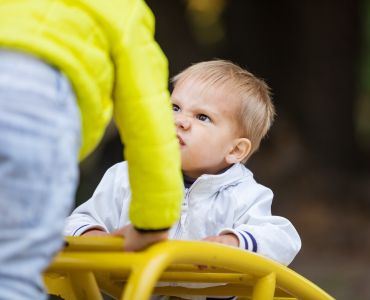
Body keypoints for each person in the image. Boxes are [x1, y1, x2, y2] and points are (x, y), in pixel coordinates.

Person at [0, 1, 183, 299]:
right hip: (34, 103)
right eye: (178, 109)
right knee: (11, 272)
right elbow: (150, 125)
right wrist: (153, 223)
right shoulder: (122, 9)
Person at [65, 60, 301, 267]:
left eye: (202, 117)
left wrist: (233, 242)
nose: (180, 121)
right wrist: (97, 237)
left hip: (210, 294)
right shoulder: (127, 176)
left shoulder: (244, 195)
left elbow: (284, 240)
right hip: (139, 289)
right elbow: (75, 222)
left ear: (235, 150)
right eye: (175, 107)